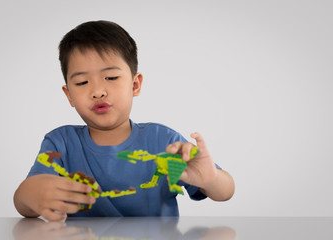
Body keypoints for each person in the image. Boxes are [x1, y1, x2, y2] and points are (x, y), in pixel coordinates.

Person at [13, 20, 235, 221]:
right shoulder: (60, 142)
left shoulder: (163, 141)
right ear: (69, 94)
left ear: (135, 84)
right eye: (82, 82)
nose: (98, 91)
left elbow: (225, 191)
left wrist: (210, 179)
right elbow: (23, 203)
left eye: (111, 77)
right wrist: (33, 193)